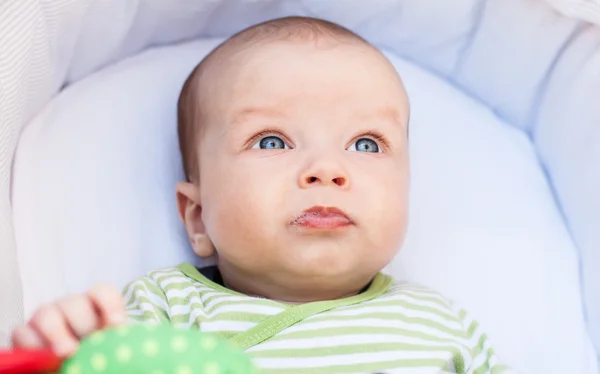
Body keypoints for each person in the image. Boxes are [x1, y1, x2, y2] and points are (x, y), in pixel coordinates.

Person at [11, 16, 513, 373]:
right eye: (272, 141)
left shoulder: (439, 324)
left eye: (366, 143)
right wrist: (64, 351)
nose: (326, 170)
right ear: (198, 218)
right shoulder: (164, 308)